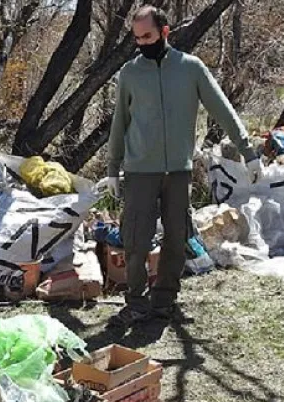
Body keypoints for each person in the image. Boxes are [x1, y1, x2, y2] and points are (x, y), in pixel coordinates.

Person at [105, 5, 264, 325]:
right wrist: (113, 168)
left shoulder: (191, 68)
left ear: (164, 32)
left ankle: (164, 302)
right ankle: (135, 303)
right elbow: (120, 121)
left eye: (147, 36)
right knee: (135, 240)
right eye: (136, 38)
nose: (142, 44)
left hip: (178, 171)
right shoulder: (131, 73)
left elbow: (222, 109)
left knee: (177, 240)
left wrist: (249, 152)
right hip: (139, 171)